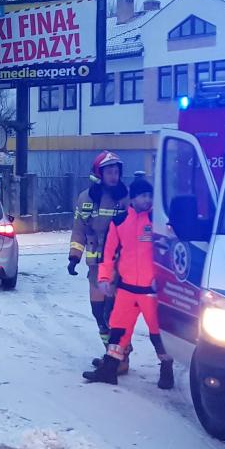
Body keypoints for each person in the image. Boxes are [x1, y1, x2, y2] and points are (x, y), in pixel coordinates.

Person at [82, 177, 174, 389]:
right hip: (126, 289)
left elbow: (170, 248)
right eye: (143, 195)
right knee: (118, 330)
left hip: (152, 292)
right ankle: (110, 369)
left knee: (158, 333)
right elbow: (109, 253)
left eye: (150, 196)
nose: (147, 199)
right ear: (133, 198)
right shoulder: (120, 221)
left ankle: (166, 367)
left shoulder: (158, 221)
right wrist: (104, 278)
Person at [68, 151, 130, 370]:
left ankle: (120, 357)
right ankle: (110, 354)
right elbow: (79, 229)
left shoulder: (125, 198)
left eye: (116, 172)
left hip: (117, 265)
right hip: (95, 265)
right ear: (99, 173)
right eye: (110, 172)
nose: (114, 176)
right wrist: (74, 256)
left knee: (112, 313)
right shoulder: (86, 198)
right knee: (98, 312)